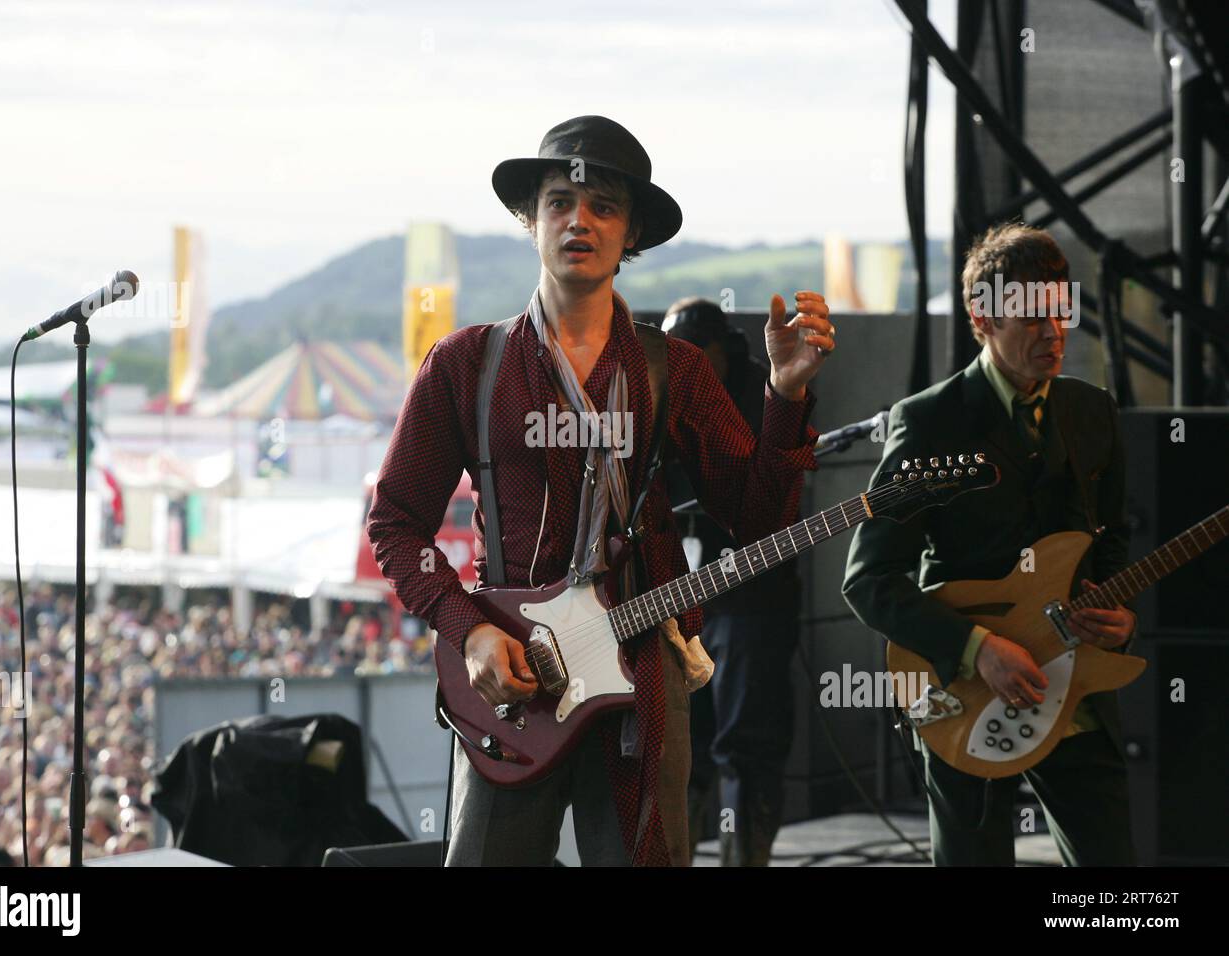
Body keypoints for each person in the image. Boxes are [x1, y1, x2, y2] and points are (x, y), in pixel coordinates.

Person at [365, 115, 835, 866]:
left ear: (632, 233)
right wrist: (470, 629)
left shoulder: (673, 369)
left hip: (643, 677)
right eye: (559, 201)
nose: (578, 219)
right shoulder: (464, 363)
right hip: (512, 679)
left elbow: (756, 517)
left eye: (604, 206)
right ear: (530, 219)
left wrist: (783, 397)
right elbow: (394, 523)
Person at [842, 222, 1137, 866]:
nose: (1053, 332)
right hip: (965, 696)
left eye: (1060, 310)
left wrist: (1120, 617)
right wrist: (977, 650)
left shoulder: (1092, 411)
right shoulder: (927, 420)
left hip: (1079, 686)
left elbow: (1110, 542)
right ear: (981, 318)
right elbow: (869, 579)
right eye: (1031, 317)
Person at [661, 297, 802, 866]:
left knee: (745, 743)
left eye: (696, 358)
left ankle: (745, 859)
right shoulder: (664, 394)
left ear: (721, 351)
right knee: (681, 744)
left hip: (750, 596)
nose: (686, 369)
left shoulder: (760, 391)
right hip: (686, 593)